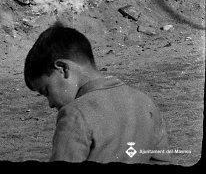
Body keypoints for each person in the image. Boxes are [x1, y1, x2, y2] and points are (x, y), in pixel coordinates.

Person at [24, 23, 169, 163]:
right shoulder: (145, 102)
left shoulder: (75, 114)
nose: (50, 103)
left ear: (62, 68)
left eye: (46, 91)